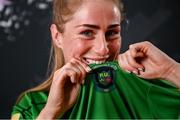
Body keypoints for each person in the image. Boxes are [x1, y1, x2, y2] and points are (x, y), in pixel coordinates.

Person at [11, 0, 180, 119]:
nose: (103, 48)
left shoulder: (146, 87)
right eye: (87, 32)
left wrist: (171, 70)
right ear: (57, 36)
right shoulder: (31, 106)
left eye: (112, 32)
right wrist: (51, 113)